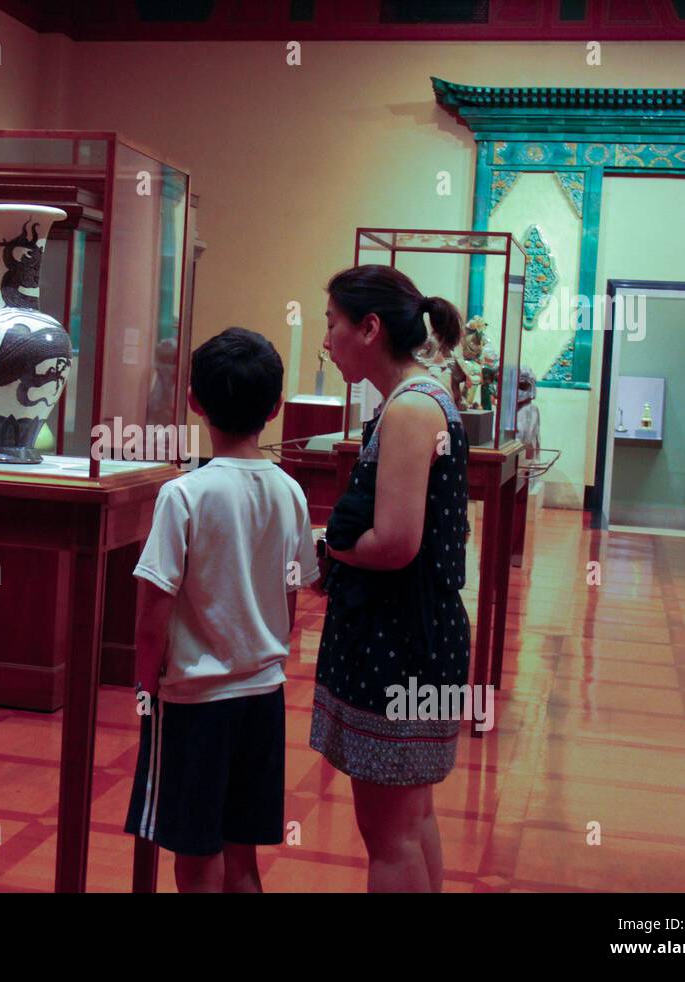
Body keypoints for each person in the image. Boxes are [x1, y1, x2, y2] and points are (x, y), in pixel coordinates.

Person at [124, 327, 319, 893]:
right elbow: (289, 598)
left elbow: (153, 609)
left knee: (194, 856)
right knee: (242, 857)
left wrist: (146, 684)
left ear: (193, 401)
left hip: (193, 700)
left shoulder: (184, 494)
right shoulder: (290, 491)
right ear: (277, 407)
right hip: (263, 693)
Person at [311, 265, 471, 893]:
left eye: (332, 324)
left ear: (369, 327)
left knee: (389, 834)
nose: (326, 340)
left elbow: (395, 544)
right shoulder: (419, 397)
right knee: (411, 818)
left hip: (399, 641)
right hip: (413, 637)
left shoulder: (408, 409)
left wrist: (329, 549)